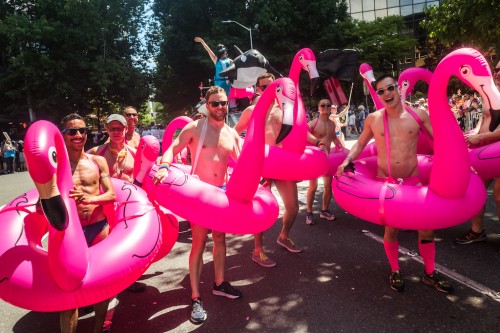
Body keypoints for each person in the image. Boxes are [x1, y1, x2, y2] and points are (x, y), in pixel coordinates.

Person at [336, 74, 453, 294]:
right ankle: (395, 270)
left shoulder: (418, 115)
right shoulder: (373, 118)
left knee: (426, 230)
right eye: (381, 91)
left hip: (414, 180)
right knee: (392, 230)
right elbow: (360, 144)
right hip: (386, 183)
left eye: (390, 88)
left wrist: (459, 164)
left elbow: (441, 143)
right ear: (378, 95)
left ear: (398, 88)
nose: (386, 93)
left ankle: (429, 273)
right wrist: (347, 160)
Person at [153, 86, 242, 324]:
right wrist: (163, 167)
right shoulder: (195, 128)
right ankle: (195, 297)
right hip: (200, 196)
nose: (221, 107)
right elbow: (173, 148)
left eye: (223, 103)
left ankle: (220, 283)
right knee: (199, 243)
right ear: (206, 104)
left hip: (222, 195)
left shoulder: (231, 133)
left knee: (221, 239)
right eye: (215, 103)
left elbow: (242, 164)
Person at [235, 72, 322, 268]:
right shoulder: (251, 111)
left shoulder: (285, 109)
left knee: (292, 208)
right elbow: (234, 132)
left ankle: (283, 236)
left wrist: (317, 141)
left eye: (271, 86)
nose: (268, 90)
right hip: (259, 165)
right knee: (259, 209)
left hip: (281, 165)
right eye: (263, 87)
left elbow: (301, 131)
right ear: (258, 90)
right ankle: (257, 250)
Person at [59, 113, 116, 333]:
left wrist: (91, 198)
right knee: (69, 293)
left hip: (98, 227)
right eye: (72, 131)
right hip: (71, 234)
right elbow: (45, 198)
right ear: (63, 135)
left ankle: (98, 329)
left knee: (102, 286)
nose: (78, 135)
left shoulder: (97, 161)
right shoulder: (57, 165)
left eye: (82, 130)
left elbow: (111, 195)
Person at [455, 60, 500, 245]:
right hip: (483, 153)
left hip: (496, 153)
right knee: (476, 191)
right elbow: (484, 119)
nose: (497, 73)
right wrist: (473, 134)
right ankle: (477, 231)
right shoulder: (490, 94)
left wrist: (480, 138)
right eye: (496, 69)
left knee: (499, 195)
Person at [305, 99, 344, 225]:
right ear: (318, 108)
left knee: (328, 187)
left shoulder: (332, 124)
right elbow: (303, 135)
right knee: (313, 187)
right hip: (314, 161)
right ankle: (309, 213)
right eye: (323, 105)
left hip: (327, 160)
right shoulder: (312, 123)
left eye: (328, 105)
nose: (326, 107)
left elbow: (333, 138)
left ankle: (324, 210)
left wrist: (341, 148)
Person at [87, 114, 136, 183]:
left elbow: (149, 170)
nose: (116, 132)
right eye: (112, 129)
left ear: (126, 129)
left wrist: (157, 171)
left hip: (130, 192)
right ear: (107, 129)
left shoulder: (134, 153)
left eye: (119, 128)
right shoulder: (96, 152)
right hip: (105, 193)